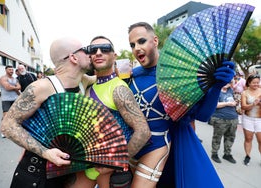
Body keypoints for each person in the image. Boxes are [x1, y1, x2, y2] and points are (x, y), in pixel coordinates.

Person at [128, 22, 235, 188]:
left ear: (155, 41)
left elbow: (203, 115)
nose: (136, 48)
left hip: (175, 150)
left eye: (141, 41)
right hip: (137, 153)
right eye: (132, 45)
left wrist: (216, 87)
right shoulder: (130, 76)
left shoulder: (179, 73)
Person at [1, 37, 93, 188]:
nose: (91, 54)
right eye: (86, 50)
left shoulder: (83, 82)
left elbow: (106, 74)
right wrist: (45, 152)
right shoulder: (42, 87)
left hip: (67, 174)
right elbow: (7, 125)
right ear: (74, 57)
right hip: (36, 175)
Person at [71, 36, 151, 188]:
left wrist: (116, 162)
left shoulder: (119, 89)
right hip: (86, 163)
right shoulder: (88, 84)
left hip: (109, 170)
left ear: (114, 55)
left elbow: (143, 132)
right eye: (93, 50)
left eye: (105, 49)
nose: (99, 53)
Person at [210, 82, 238, 164]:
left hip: (233, 118)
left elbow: (235, 101)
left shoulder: (231, 91)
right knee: (217, 137)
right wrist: (227, 103)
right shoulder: (215, 91)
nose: (227, 83)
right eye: (225, 81)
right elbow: (214, 105)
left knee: (230, 137)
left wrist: (236, 102)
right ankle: (214, 153)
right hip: (220, 118)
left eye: (229, 82)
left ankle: (227, 154)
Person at [241, 74, 261, 166]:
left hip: (259, 119)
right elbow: (243, 107)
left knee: (260, 140)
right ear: (249, 82)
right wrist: (253, 104)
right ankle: (247, 156)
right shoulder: (244, 93)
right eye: (254, 83)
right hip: (248, 118)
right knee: (248, 138)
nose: (256, 84)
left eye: (258, 82)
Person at [0, 65, 21, 138]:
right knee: (5, 116)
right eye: (9, 70)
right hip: (6, 100)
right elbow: (7, 87)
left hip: (15, 99)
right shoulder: (3, 78)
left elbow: (19, 87)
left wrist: (13, 88)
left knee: (14, 115)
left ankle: (12, 129)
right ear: (6, 70)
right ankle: (3, 131)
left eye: (12, 70)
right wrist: (15, 88)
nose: (11, 71)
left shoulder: (15, 79)